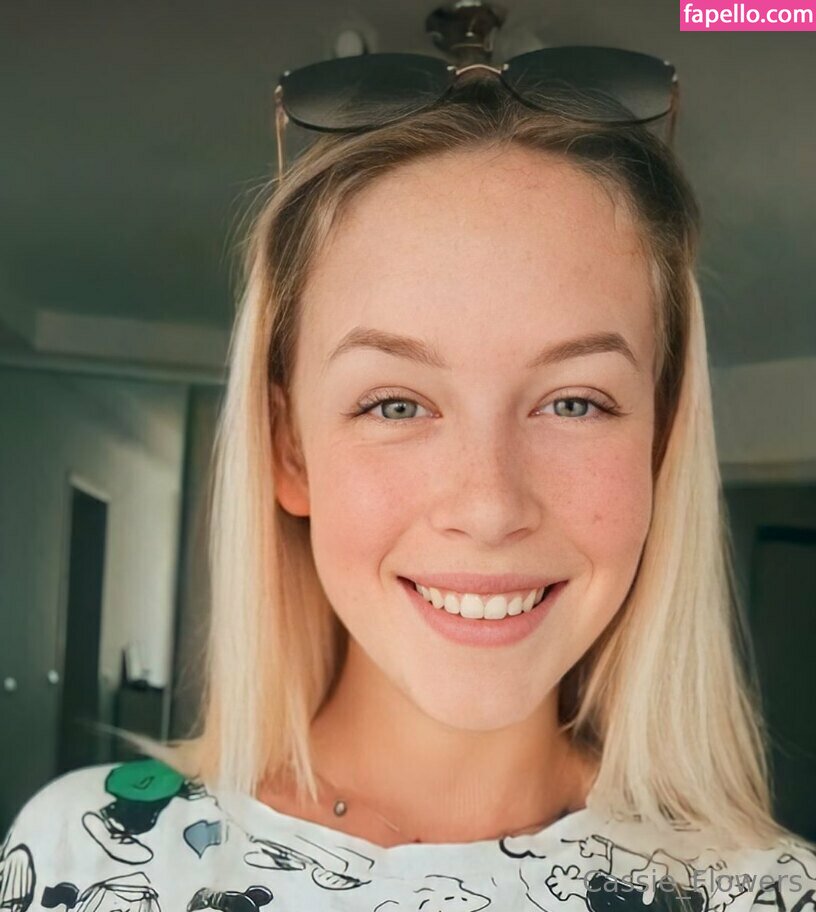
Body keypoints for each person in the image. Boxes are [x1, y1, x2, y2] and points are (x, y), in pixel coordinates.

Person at [3, 60, 815, 912]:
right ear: (289, 449)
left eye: (575, 402)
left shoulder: (766, 894)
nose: (489, 506)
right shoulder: (89, 857)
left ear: (660, 443)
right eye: (396, 403)